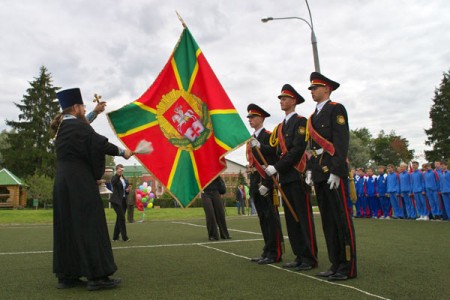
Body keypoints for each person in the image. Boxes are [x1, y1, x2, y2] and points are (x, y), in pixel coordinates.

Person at [51, 88, 133, 291]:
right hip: (79, 182)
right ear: (77, 107)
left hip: (62, 182)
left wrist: (94, 113)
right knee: (90, 224)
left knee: (68, 227)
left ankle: (67, 275)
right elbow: (98, 142)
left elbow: (83, 128)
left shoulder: (63, 127)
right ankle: (97, 277)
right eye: (84, 107)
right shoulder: (78, 127)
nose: (85, 108)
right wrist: (123, 152)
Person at [305, 72, 356, 281]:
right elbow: (311, 147)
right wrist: (309, 169)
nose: (312, 91)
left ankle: (347, 267)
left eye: (315, 88)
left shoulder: (336, 109)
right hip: (319, 173)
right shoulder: (313, 117)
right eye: (311, 88)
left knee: (341, 219)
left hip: (333, 173)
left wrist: (337, 171)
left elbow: (341, 142)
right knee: (328, 221)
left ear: (327, 89)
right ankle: (335, 263)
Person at [265, 84, 318, 272]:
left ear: (294, 100)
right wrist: (256, 144)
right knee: (290, 218)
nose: (281, 101)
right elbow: (273, 150)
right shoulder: (281, 126)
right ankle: (299, 254)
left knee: (303, 217)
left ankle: (309, 256)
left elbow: (296, 150)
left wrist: (276, 167)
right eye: (280, 99)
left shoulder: (301, 122)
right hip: (285, 177)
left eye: (285, 98)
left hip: (297, 174)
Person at [246, 103, 284, 265]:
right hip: (255, 180)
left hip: (266, 181)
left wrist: (268, 184)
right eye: (249, 117)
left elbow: (275, 156)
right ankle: (267, 249)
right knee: (262, 218)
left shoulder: (269, 136)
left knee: (271, 217)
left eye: (253, 117)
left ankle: (276, 251)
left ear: (261, 118)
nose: (250, 120)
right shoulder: (251, 139)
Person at [201, 176, 231, 240]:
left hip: (215, 192)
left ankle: (225, 235)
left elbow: (222, 188)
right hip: (205, 192)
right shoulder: (200, 171)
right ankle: (213, 235)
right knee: (210, 214)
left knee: (221, 214)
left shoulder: (215, 170)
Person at [110, 164, 131, 242]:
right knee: (122, 218)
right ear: (117, 170)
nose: (121, 170)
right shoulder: (115, 177)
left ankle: (115, 237)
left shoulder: (124, 178)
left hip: (123, 201)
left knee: (119, 218)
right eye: (119, 169)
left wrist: (127, 190)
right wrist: (118, 174)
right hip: (116, 201)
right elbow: (113, 182)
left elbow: (125, 189)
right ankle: (124, 237)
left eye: (122, 169)